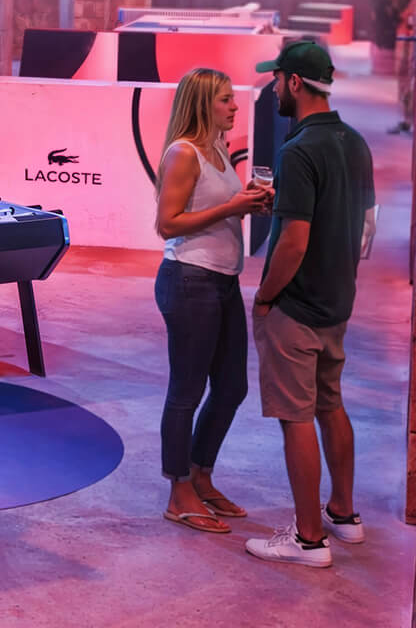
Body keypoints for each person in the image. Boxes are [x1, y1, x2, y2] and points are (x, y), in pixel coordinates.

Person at [246, 40, 376, 567]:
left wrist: (265, 297)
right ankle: (344, 515)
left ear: (295, 83)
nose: (273, 88)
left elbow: (294, 242)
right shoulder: (355, 141)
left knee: (295, 417)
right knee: (329, 403)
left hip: (296, 306)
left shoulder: (299, 150)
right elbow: (363, 225)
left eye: (276, 79)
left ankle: (308, 539)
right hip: (336, 300)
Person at [153, 68, 271, 535]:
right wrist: (233, 208)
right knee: (186, 391)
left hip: (223, 281)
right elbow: (167, 223)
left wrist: (249, 202)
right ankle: (178, 490)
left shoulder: (218, 148)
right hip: (189, 279)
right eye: (225, 99)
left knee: (231, 387)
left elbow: (217, 209)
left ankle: (201, 474)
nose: (235, 106)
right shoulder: (183, 152)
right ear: (203, 103)